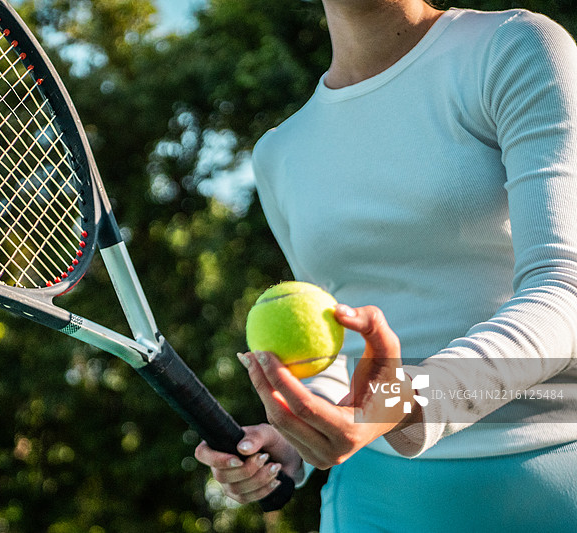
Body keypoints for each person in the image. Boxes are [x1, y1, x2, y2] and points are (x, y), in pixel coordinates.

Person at [194, 1, 577, 530]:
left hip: (553, 473)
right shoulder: (279, 153)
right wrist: (297, 437)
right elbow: (337, 346)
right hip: (372, 501)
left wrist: (394, 404)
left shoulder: (515, 47)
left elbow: (563, 294)